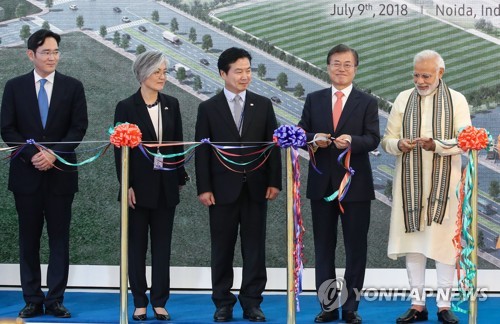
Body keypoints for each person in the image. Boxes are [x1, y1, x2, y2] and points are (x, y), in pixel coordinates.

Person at [0, 29, 88, 318]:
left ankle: (56, 300)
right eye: (46, 52)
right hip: (26, 176)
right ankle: (33, 300)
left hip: (60, 175)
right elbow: (8, 129)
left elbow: (78, 128)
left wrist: (53, 154)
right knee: (29, 239)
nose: (52, 57)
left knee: (59, 239)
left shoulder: (72, 87)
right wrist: (32, 155)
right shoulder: (14, 87)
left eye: (56, 51)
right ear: (31, 55)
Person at [381, 50, 471, 324]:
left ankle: (444, 305)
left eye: (426, 75)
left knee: (444, 245)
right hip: (410, 185)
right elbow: (387, 140)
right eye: (416, 75)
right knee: (414, 244)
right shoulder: (402, 99)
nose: (420, 81)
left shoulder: (457, 100)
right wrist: (399, 145)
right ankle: (417, 305)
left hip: (446, 187)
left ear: (440, 74)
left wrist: (437, 146)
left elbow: (465, 140)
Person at [195, 47, 282, 322]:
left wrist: (274, 181)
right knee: (222, 248)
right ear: (223, 73)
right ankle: (223, 303)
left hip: (256, 189)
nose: (245, 76)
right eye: (239, 71)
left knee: (255, 248)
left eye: (248, 70)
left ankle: (252, 303)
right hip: (221, 192)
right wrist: (204, 187)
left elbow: (273, 146)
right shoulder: (208, 108)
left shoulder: (263, 104)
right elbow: (202, 151)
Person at [298, 44, 380, 324]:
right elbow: (300, 133)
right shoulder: (314, 99)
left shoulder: (367, 101)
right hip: (322, 186)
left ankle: (351, 308)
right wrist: (313, 138)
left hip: (355, 186)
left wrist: (352, 142)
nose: (341, 69)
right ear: (328, 66)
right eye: (336, 63)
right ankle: (329, 306)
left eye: (347, 64)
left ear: (355, 68)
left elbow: (372, 139)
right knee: (323, 247)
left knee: (356, 248)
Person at [113, 51, 188, 321]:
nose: (163, 77)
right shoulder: (125, 106)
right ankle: (139, 301)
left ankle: (159, 301)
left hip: (166, 188)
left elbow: (177, 144)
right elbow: (119, 152)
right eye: (158, 72)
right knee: (136, 248)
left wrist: (180, 177)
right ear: (143, 73)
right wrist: (127, 185)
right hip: (137, 191)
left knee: (162, 247)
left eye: (165, 72)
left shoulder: (173, 103)